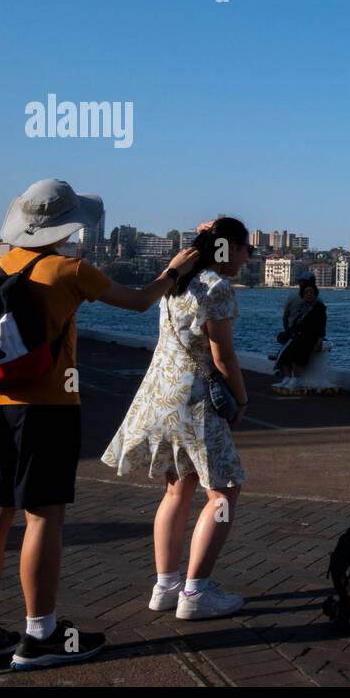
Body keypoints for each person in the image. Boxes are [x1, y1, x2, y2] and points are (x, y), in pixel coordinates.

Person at [0, 179, 199, 672]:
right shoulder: (69, 269)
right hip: (47, 409)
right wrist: (175, 270)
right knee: (44, 517)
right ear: (66, 226)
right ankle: (40, 633)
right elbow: (138, 300)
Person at [101, 217, 252, 620]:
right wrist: (241, 397)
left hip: (160, 393)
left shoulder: (177, 280)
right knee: (224, 491)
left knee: (177, 489)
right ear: (230, 249)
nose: (247, 257)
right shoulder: (218, 289)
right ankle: (197, 591)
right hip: (195, 399)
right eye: (245, 248)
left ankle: (165, 585)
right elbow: (223, 357)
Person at [272, 274, 327, 392]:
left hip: (309, 337)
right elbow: (293, 320)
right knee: (285, 355)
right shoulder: (302, 307)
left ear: (315, 294)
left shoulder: (319, 307)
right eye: (306, 293)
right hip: (297, 335)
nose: (308, 295)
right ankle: (287, 377)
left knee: (298, 357)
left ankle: (296, 379)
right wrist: (289, 332)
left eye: (311, 293)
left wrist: (319, 340)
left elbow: (322, 325)